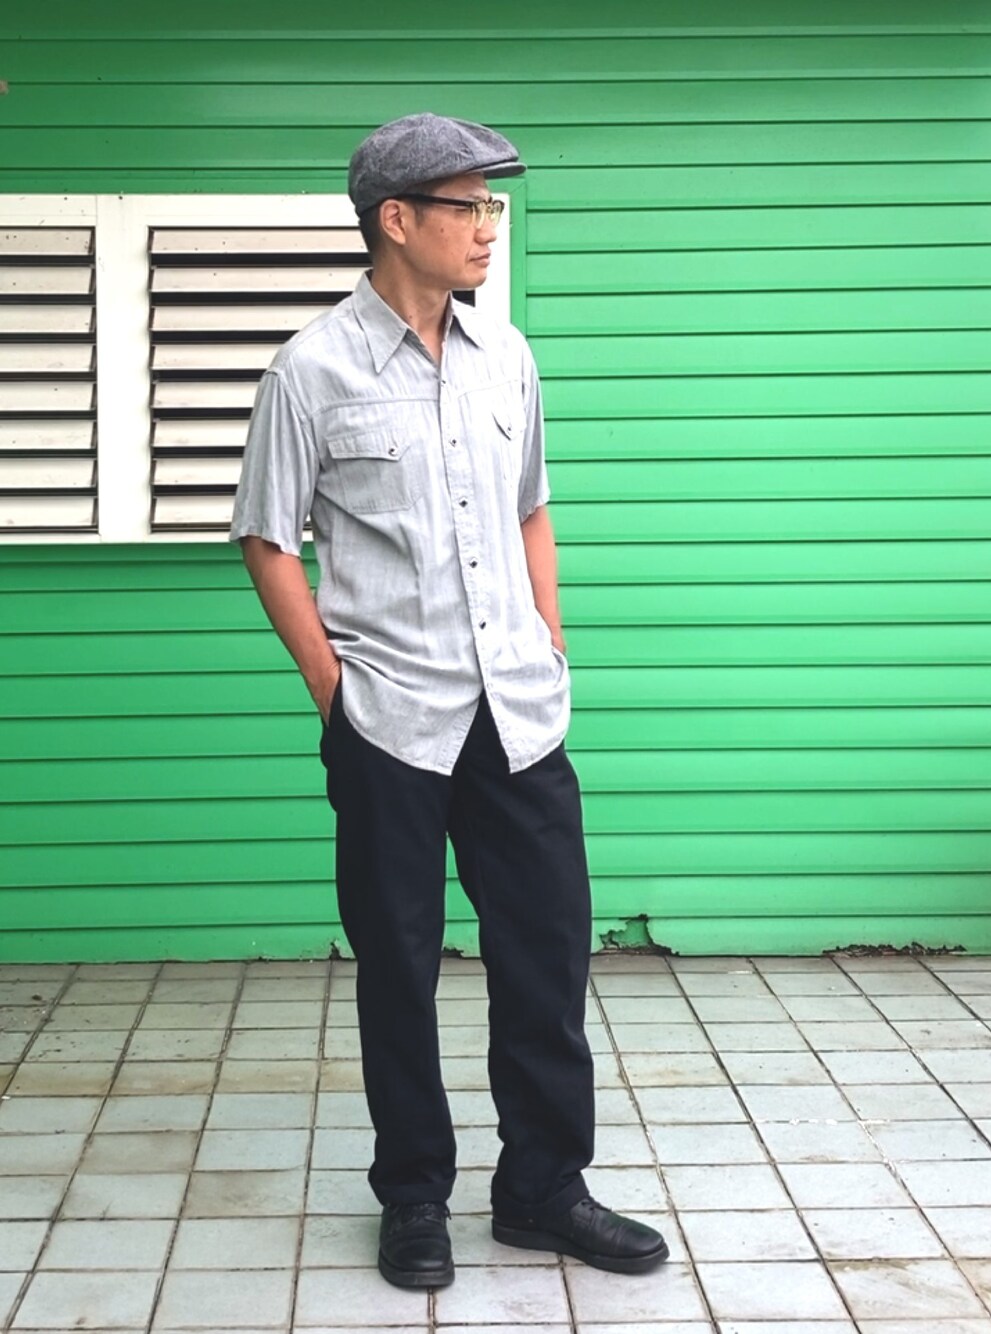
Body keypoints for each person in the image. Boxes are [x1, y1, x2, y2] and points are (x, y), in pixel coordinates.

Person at [230, 113, 668, 1289]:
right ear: (396, 219)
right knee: (399, 964)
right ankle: (414, 1193)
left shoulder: (505, 355)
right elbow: (268, 538)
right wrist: (333, 689)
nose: (487, 226)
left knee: (546, 953)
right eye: (467, 205)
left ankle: (542, 1189)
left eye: (490, 205)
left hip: (515, 713)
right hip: (390, 717)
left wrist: (549, 642)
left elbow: (530, 508)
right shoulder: (311, 370)